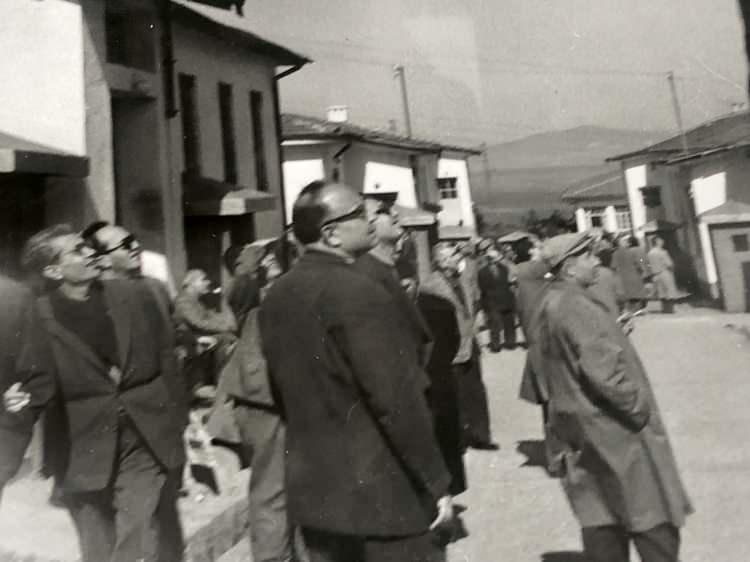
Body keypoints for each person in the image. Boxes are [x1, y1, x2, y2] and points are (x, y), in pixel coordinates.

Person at [260, 181, 453, 562]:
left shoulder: (277, 296)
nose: (371, 221)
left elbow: (282, 394)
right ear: (331, 234)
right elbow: (395, 400)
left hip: (317, 496)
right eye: (359, 215)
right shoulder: (359, 291)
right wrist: (436, 481)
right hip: (384, 498)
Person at [2, 224, 188, 562]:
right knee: (97, 548)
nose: (90, 253)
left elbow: (166, 359)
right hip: (80, 445)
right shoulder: (37, 315)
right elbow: (31, 378)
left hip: (143, 435)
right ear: (53, 270)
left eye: (88, 246)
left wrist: (178, 420)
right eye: (77, 250)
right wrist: (18, 400)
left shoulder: (136, 295)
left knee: (137, 533)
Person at [535, 231, 693, 562]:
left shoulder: (552, 301)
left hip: (582, 431)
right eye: (589, 256)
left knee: (602, 519)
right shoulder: (577, 305)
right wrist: (638, 409)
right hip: (617, 433)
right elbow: (604, 375)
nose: (596, 261)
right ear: (570, 266)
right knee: (652, 521)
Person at [211, 242, 298, 562]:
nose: (270, 259)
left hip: (260, 396)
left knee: (277, 491)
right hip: (265, 399)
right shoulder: (256, 291)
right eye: (264, 257)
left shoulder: (265, 291)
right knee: (272, 492)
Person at [422, 243, 498, 451]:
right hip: (450, 349)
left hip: (470, 345)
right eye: (454, 256)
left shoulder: (462, 281)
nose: (458, 259)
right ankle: (457, 440)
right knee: (454, 395)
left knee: (476, 392)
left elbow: (472, 308)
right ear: (442, 261)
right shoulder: (431, 286)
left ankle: (481, 435)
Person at [354, 199, 433, 369]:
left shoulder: (393, 269)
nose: (395, 214)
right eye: (383, 211)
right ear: (366, 225)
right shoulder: (366, 274)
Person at [174, 269, 237, 389]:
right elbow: (199, 323)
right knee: (227, 340)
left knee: (229, 338)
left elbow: (210, 317)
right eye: (203, 279)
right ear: (191, 283)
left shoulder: (196, 302)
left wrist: (225, 320)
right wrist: (226, 326)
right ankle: (221, 385)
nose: (208, 282)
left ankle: (221, 384)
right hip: (188, 339)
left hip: (196, 337)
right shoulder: (183, 300)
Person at [477, 242, 516, 352]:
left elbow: (509, 282)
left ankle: (510, 343)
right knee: (495, 325)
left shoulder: (504, 268)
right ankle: (496, 345)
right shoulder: (482, 272)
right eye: (496, 257)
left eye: (498, 257)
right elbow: (482, 287)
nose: (499, 259)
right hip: (492, 301)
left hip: (506, 299)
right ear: (490, 259)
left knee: (509, 323)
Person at [611, 234, 648, 313]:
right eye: (624, 241)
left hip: (622, 277)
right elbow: (639, 262)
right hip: (634, 275)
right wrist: (642, 269)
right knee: (636, 293)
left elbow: (613, 266)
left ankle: (628, 310)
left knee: (627, 294)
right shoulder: (631, 251)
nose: (626, 243)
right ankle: (637, 309)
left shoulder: (615, 253)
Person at [648, 236, 680, 314]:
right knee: (669, 290)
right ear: (657, 242)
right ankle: (670, 309)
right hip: (664, 272)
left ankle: (664, 309)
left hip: (655, 274)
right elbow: (669, 264)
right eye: (661, 241)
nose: (662, 242)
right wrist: (672, 268)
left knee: (661, 292)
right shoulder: (662, 252)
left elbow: (649, 264)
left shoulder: (650, 253)